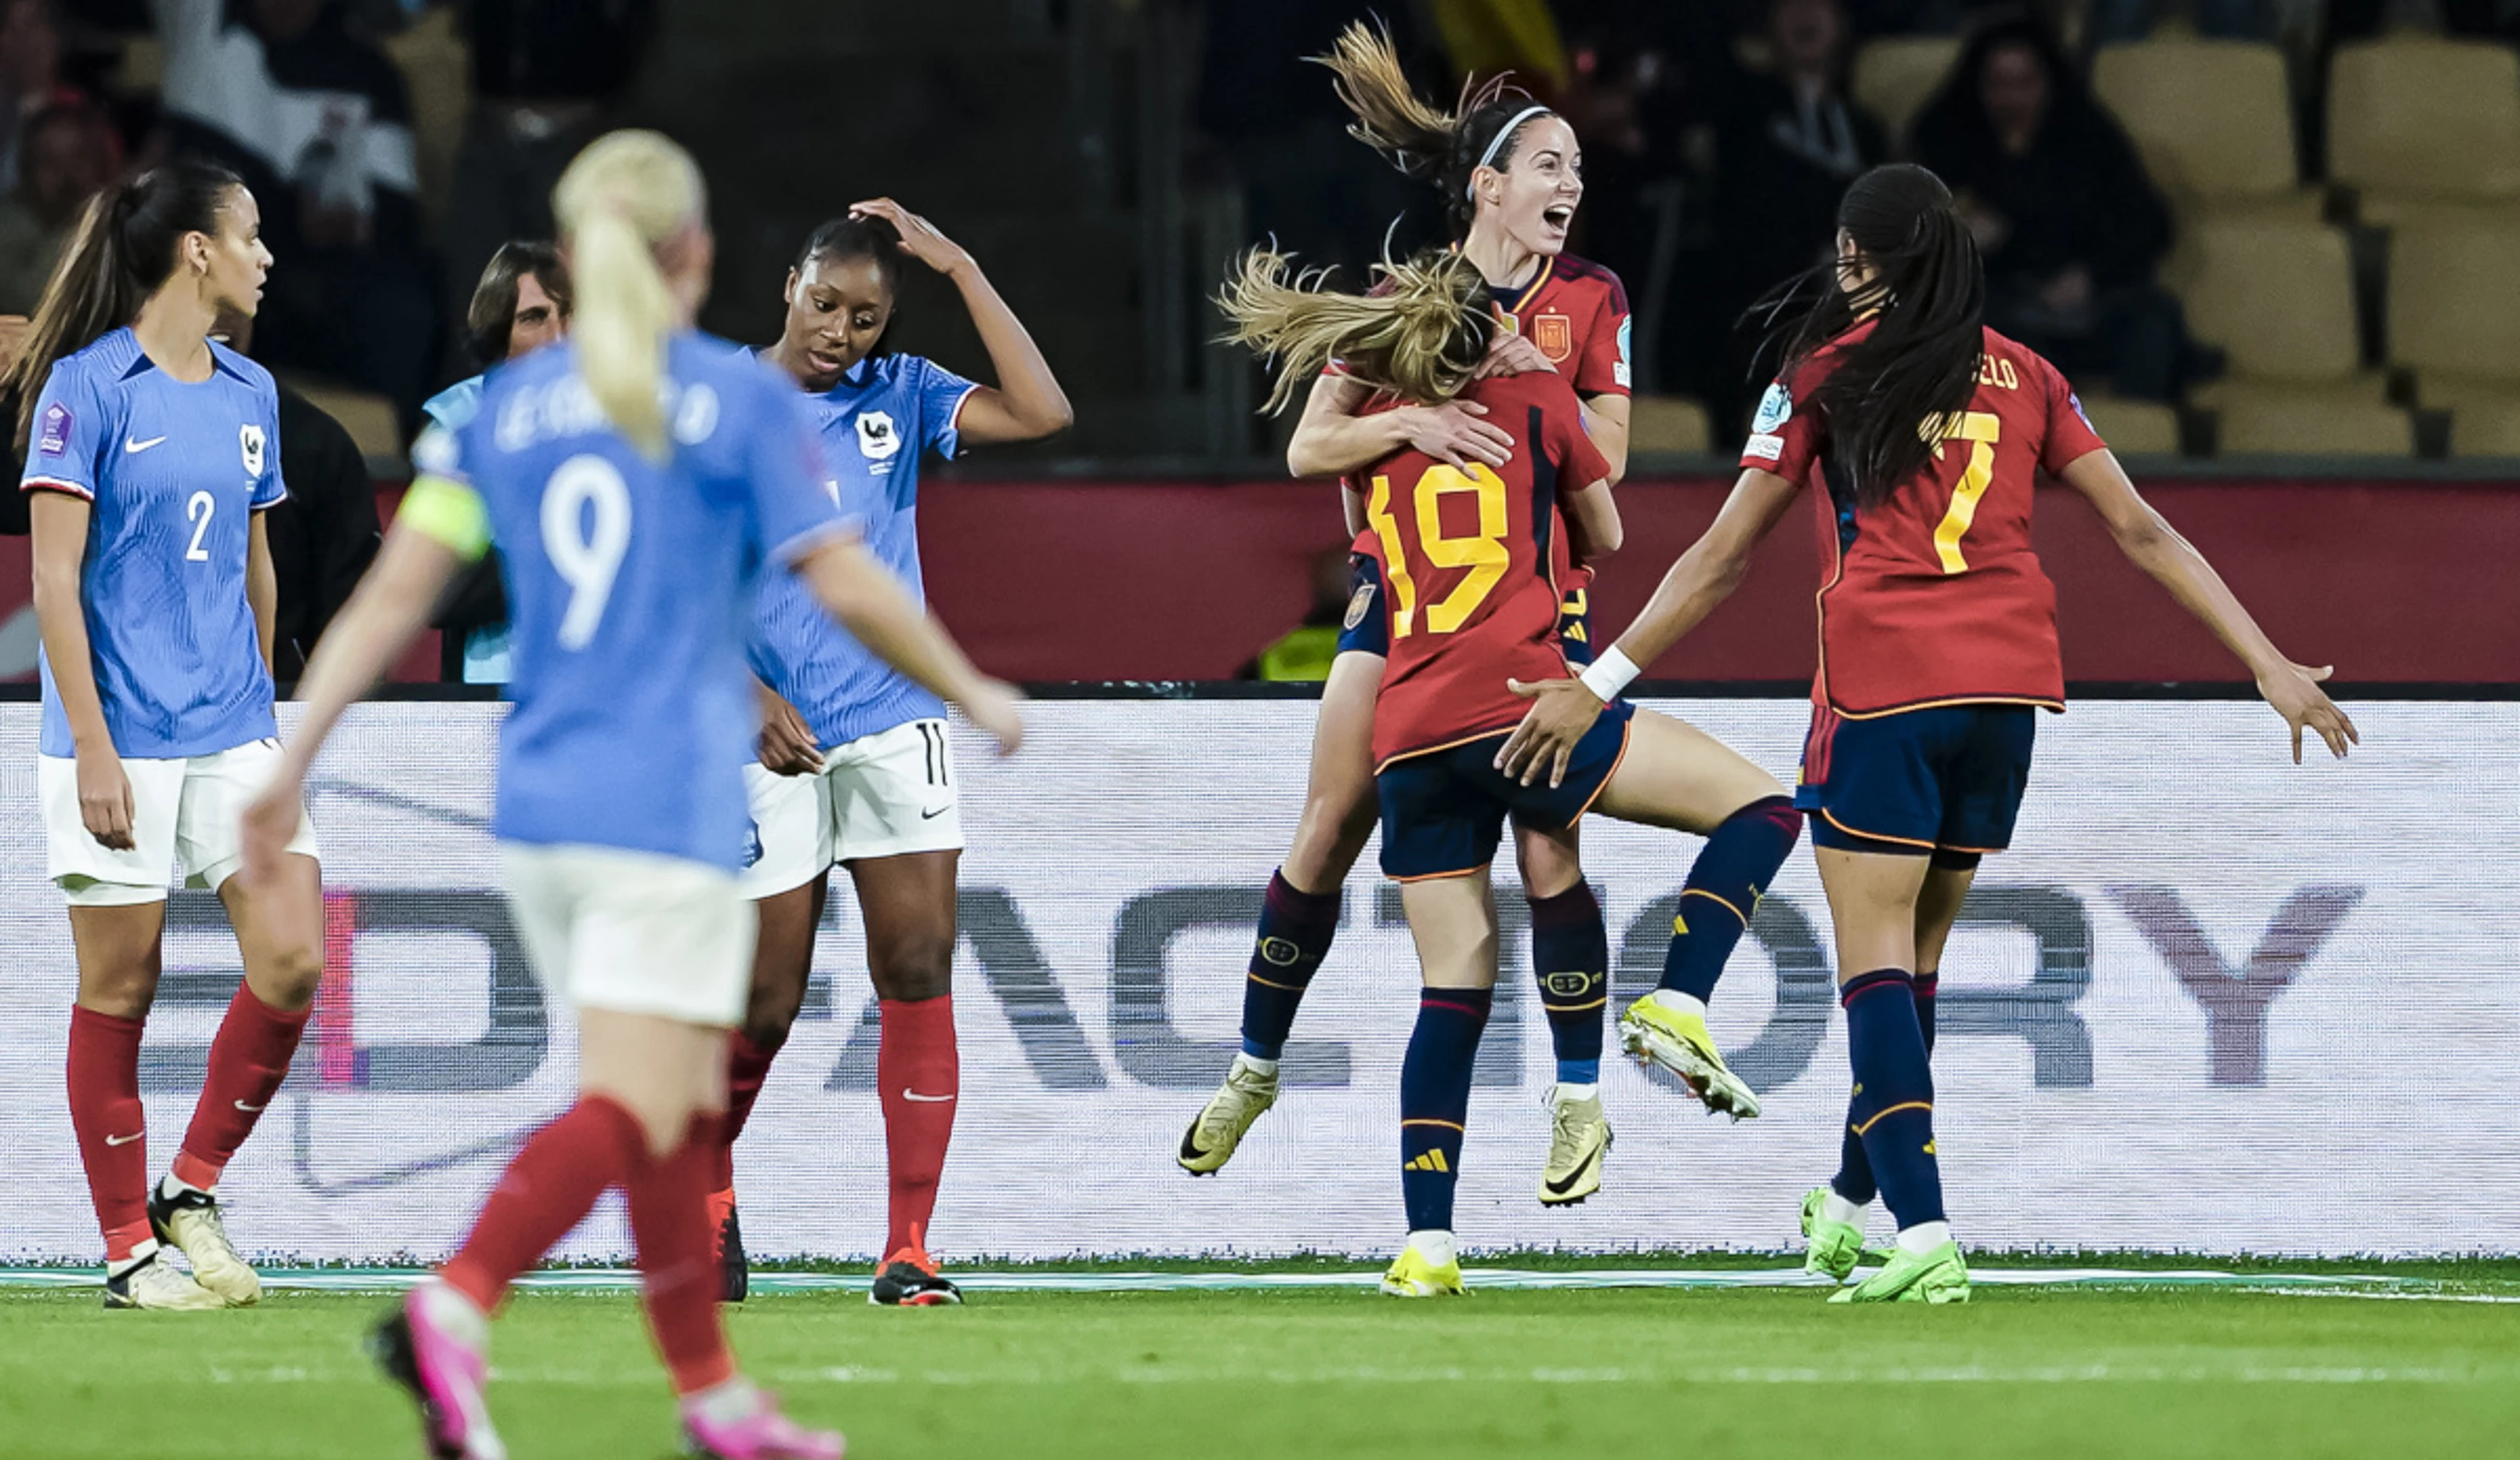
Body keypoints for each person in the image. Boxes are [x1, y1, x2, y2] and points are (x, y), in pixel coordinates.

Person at [239, 129, 1024, 1460]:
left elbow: (395, 593)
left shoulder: (507, 412)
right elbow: (840, 573)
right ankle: (452, 1303)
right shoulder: (729, 399)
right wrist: (975, 687)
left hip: (545, 802)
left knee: (665, 1099)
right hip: (661, 795)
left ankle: (712, 1395)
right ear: (698, 256)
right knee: (645, 1104)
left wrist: (293, 752)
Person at [1494, 163, 2357, 1304]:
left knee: (1874, 974)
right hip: (2007, 697)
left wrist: (1598, 680)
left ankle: (1928, 1229)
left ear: (1861, 256)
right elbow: (2142, 531)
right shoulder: (2029, 373)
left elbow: (1720, 557)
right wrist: (2267, 662)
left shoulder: (1827, 372)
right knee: (1916, 974)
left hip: (1885, 691)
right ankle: (1851, 1203)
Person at [1185, 21, 1698, 1217]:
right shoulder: (1404, 301)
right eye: (1551, 166)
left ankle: (1578, 1098)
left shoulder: (1593, 298)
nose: (1572, 186)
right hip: (1404, 605)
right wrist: (1409, 422)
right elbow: (1311, 446)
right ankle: (1254, 1067)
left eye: (1578, 169)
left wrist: (1529, 377)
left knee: (1552, 847)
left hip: (1542, 602)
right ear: (1488, 186)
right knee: (1327, 827)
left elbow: (1609, 459)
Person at [1217, 244, 1799, 1296]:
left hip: (1410, 733)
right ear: (1492, 327)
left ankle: (1428, 1245)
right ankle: (1675, 1002)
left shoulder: (1377, 429)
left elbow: (1356, 525)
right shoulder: (1538, 399)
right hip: (1525, 708)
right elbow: (1605, 533)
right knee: (1762, 806)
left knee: (1451, 991)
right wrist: (1548, 421)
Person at [719, 201, 1071, 1306]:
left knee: (917, 966)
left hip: (893, 719)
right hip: (766, 735)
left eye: (865, 318)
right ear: (790, 284)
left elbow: (1044, 411)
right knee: (766, 1001)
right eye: (826, 304)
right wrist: (743, 692)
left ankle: (908, 1247)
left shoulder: (902, 391)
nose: (840, 332)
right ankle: (703, 1191)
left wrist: (963, 267)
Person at [9, 157, 325, 1310]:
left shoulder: (250, 391)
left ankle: (188, 1188)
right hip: (120, 734)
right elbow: (53, 582)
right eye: (250, 235)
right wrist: (93, 746)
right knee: (121, 985)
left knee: (294, 958)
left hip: (233, 724)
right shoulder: (86, 388)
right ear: (198, 251)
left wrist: (266, 713)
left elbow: (255, 562)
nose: (266, 256)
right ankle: (126, 1254)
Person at [155, 0, 439, 419]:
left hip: (337, 274)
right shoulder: (211, 57)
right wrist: (293, 218)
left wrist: (352, 226)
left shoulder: (366, 71)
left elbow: (399, 211)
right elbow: (201, 192)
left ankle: (387, 450)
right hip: (233, 268)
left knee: (405, 309)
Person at [1910, 18, 2200, 402]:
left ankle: (2135, 431)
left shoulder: (2087, 135)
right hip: (2000, 313)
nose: (2013, 99)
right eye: (1999, 84)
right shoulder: (1944, 139)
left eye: (2026, 84)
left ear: (2048, 85)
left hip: (2087, 307)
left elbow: (2149, 224)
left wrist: (2090, 276)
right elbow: (1908, 247)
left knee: (2155, 317)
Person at [423, 240, 570, 682]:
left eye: (570, 315)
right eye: (534, 318)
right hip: (493, 687)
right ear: (497, 330)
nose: (558, 337)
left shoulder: (620, 422)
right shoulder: (457, 421)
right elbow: (447, 590)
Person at [211, 305, 379, 678]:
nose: (221, 315)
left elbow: (351, 626)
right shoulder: (106, 422)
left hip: (283, 699)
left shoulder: (315, 445)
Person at [0, 98, 118, 313]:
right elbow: (28, 302)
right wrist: (80, 224)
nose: (66, 173)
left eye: (78, 158)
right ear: (27, 169)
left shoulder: (122, 229)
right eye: (49, 161)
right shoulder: (7, 226)